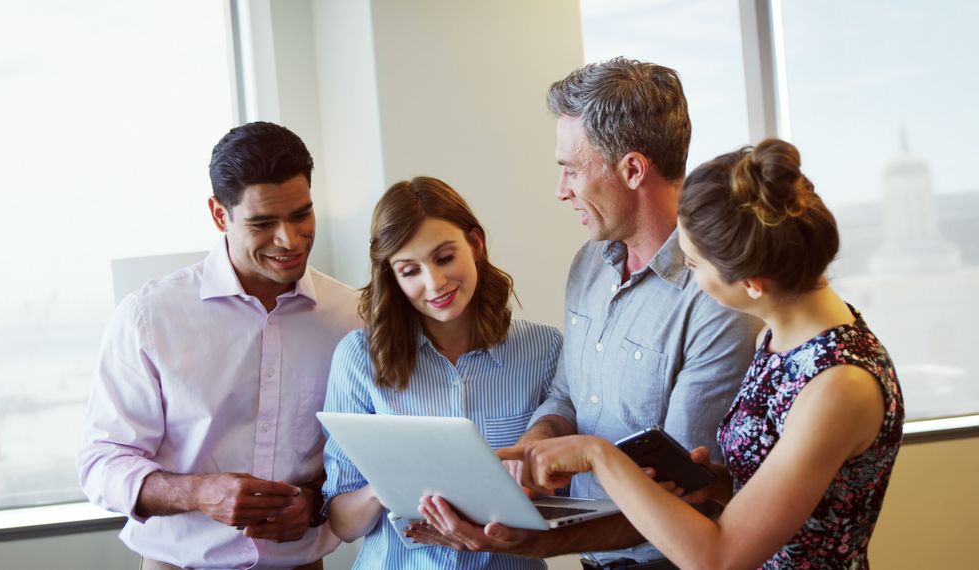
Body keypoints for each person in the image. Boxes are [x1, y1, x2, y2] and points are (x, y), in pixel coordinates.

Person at [409, 57, 763, 568]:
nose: (561, 189)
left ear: (633, 169)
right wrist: (531, 449)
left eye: (571, 169)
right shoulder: (589, 264)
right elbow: (567, 394)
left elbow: (689, 494)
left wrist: (533, 545)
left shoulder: (718, 299)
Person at [510, 139, 904, 569]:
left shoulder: (840, 384)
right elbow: (774, 489)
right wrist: (711, 484)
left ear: (752, 282)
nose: (690, 280)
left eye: (695, 266)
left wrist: (597, 455)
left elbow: (719, 558)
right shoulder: (777, 341)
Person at [77, 121, 361, 570]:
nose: (289, 239)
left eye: (301, 214)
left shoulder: (353, 316)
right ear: (218, 214)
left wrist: (314, 502)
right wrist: (199, 493)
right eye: (263, 222)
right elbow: (102, 463)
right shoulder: (149, 317)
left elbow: (363, 454)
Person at [321, 176, 563, 569]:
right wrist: (386, 484)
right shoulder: (358, 358)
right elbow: (342, 523)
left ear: (476, 244)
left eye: (445, 257)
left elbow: (562, 487)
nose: (434, 283)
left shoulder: (544, 350)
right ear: (393, 277)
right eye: (409, 270)